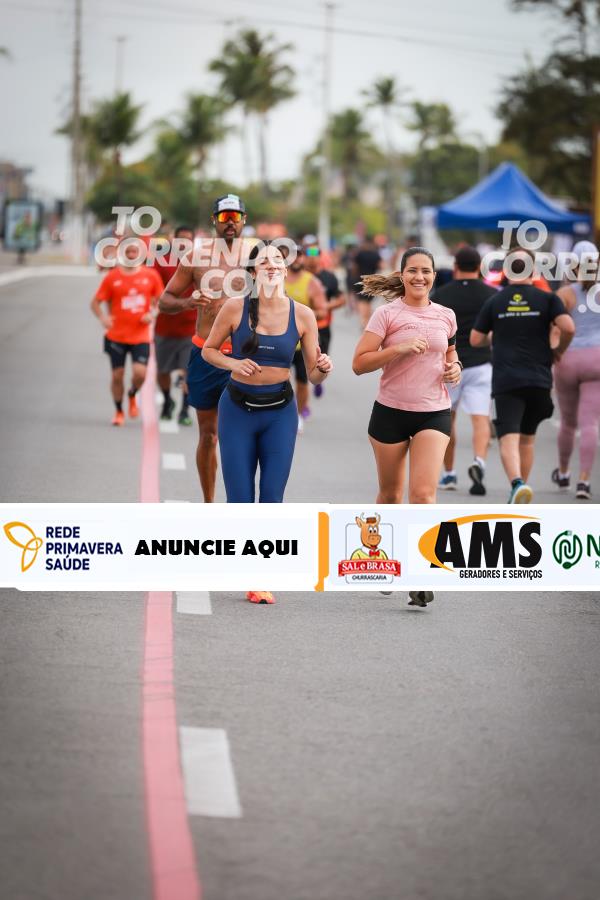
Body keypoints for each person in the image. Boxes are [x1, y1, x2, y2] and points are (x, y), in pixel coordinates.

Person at [202, 241, 333, 604]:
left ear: (285, 270)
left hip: (279, 414)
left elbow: (313, 373)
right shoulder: (235, 307)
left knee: (272, 497)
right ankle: (247, 568)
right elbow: (208, 350)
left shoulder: (302, 315)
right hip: (236, 411)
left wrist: (323, 369)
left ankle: (259, 575)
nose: (272, 265)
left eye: (278, 260)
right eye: (264, 261)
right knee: (240, 500)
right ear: (253, 272)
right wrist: (233, 363)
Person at [352, 247, 461, 608]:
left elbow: (450, 353)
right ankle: (384, 562)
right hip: (391, 412)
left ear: (434, 276)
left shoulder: (446, 315)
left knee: (424, 495)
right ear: (401, 275)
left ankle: (420, 570)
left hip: (434, 411)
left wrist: (455, 368)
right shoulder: (386, 314)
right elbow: (359, 364)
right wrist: (397, 349)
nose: (419, 277)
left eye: (426, 271)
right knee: (389, 495)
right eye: (412, 270)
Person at [158, 194, 249, 501]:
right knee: (208, 435)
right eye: (224, 217)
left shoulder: (258, 258)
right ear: (214, 220)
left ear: (244, 220)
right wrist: (188, 301)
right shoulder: (195, 258)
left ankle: (240, 503)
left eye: (235, 217)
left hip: (245, 356)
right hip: (206, 354)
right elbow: (165, 301)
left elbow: (280, 303)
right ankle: (209, 504)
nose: (230, 223)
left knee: (240, 437)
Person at [470, 249, 575, 503]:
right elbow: (568, 327)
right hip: (539, 379)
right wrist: (558, 350)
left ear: (507, 270)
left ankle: (517, 484)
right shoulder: (548, 299)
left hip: (507, 380)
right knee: (527, 440)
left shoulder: (495, 301)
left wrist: (495, 336)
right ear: (534, 269)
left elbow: (475, 339)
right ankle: (519, 492)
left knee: (508, 437)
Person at [433, 245, 497, 495]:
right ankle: (479, 461)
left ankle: (449, 473)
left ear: (455, 267)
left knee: (447, 420)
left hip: (449, 365)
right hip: (481, 364)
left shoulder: (441, 294)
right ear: (480, 267)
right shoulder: (491, 294)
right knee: (481, 418)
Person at [91, 238, 163, 426]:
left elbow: (161, 300)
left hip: (140, 335)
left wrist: (152, 314)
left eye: (134, 251)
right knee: (117, 375)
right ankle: (118, 411)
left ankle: (132, 394)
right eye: (128, 251)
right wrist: (103, 318)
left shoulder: (151, 275)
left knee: (140, 374)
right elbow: (95, 302)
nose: (131, 255)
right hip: (116, 336)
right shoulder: (112, 277)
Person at [552, 240, 600, 500]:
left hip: (568, 358)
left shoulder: (565, 294)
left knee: (568, 423)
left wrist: (554, 353)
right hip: (596, 359)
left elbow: (555, 328)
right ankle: (584, 480)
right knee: (590, 423)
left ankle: (563, 472)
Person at [153, 225, 196, 424]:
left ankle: (184, 410)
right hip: (165, 327)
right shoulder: (161, 261)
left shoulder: (200, 263)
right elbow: (153, 288)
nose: (184, 244)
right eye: (181, 240)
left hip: (191, 329)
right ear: (173, 240)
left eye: (188, 240)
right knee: (163, 371)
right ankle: (167, 401)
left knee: (188, 372)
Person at [284, 244, 328, 430]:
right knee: (281, 381)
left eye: (299, 255)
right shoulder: (278, 278)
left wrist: (301, 315)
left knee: (302, 383)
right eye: (292, 255)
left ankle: (300, 414)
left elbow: (322, 310)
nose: (296, 259)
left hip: (303, 343)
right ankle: (284, 414)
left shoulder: (312, 282)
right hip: (281, 342)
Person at [302, 237, 346, 398]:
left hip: (322, 325)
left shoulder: (328, 277)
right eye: (308, 253)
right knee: (301, 363)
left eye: (315, 253)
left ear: (320, 255)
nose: (312, 257)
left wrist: (325, 306)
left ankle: (318, 380)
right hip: (301, 327)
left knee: (320, 358)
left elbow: (341, 299)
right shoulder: (297, 276)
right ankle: (303, 388)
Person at [351, 235, 382, 328]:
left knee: (362, 301)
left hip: (360, 279)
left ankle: (364, 320)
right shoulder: (376, 254)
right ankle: (367, 320)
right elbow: (381, 266)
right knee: (368, 301)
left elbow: (354, 267)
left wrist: (353, 277)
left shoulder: (360, 254)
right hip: (372, 281)